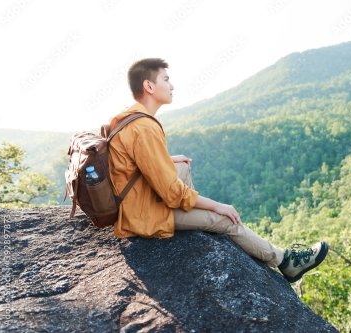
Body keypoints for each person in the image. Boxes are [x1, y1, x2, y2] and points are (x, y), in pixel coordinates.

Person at [107, 58, 328, 283]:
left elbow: (136, 161)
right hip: (141, 214)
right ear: (149, 86)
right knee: (226, 220)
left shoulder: (130, 118)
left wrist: (169, 160)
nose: (172, 86)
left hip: (136, 198)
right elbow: (172, 193)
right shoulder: (144, 127)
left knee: (181, 165)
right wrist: (217, 206)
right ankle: (285, 261)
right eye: (166, 79)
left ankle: (191, 217)